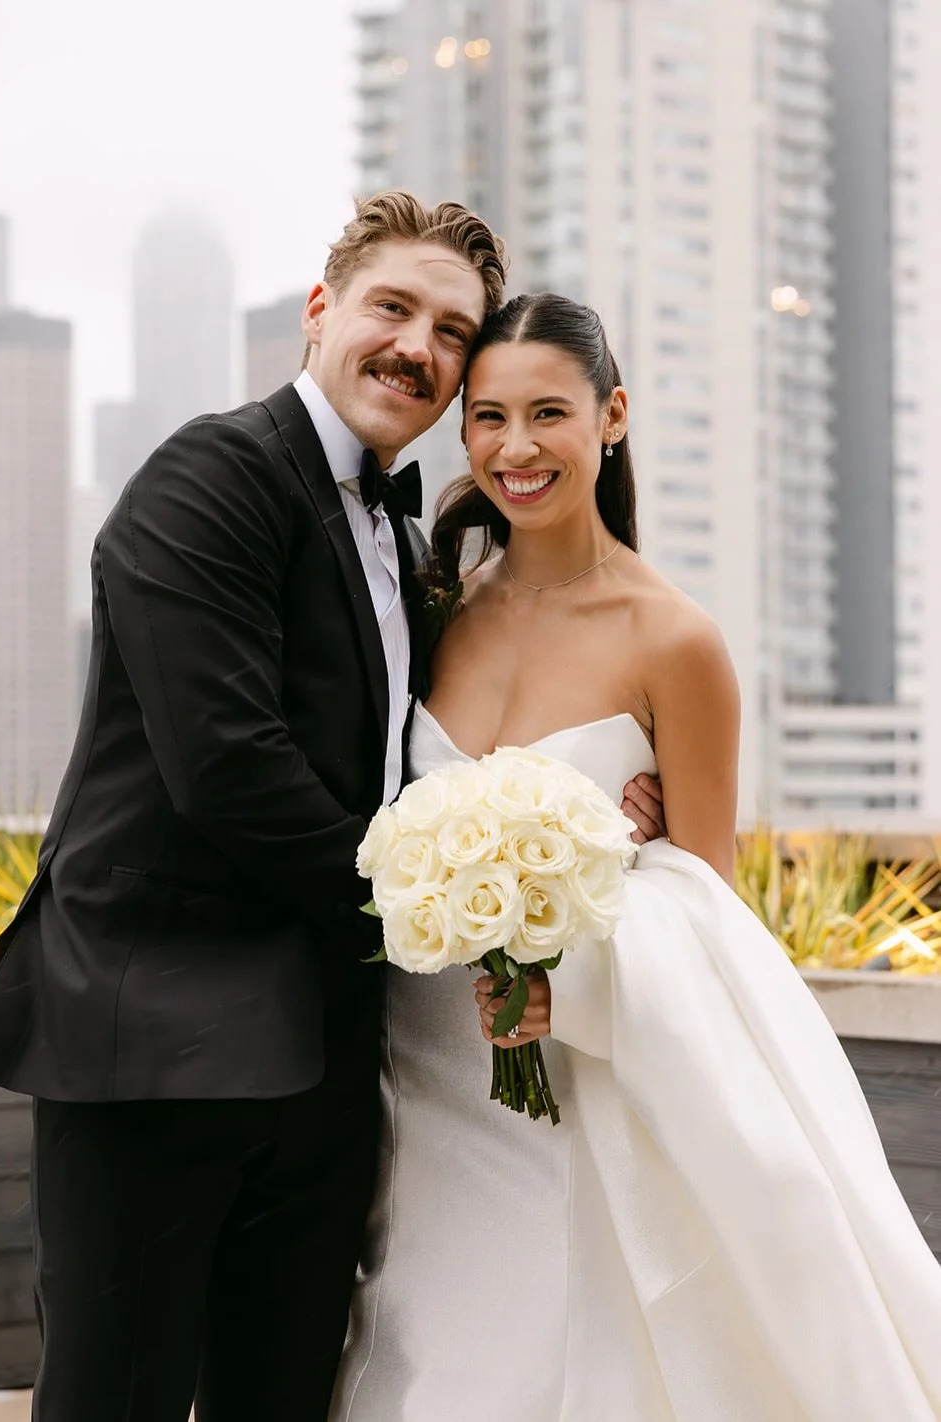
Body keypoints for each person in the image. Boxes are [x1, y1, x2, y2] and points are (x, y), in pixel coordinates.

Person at [0, 198, 664, 1420]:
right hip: (160, 1055)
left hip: (331, 1064)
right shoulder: (207, 477)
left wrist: (595, 820)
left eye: (449, 331)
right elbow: (230, 769)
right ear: (319, 311)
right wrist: (451, 923)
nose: (416, 345)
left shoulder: (409, 540)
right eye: (391, 307)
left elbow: (429, 764)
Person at [331, 292, 941, 1422]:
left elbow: (712, 927)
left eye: (547, 414)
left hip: (576, 1098)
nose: (515, 449)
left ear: (610, 417)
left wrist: (573, 965)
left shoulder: (676, 641)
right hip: (418, 1091)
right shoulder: (432, 611)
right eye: (488, 417)